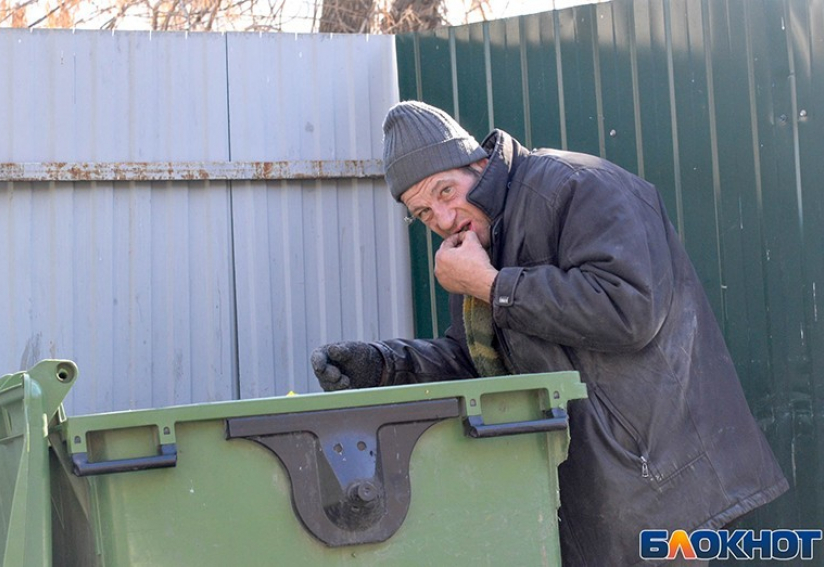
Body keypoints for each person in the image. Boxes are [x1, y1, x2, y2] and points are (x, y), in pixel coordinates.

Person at [310, 100, 788, 566]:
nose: (444, 220)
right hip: (577, 498)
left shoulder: (581, 185)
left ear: (477, 162)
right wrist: (387, 364)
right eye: (424, 214)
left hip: (654, 489)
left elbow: (629, 310)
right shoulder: (478, 242)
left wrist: (490, 284)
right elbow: (475, 359)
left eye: (444, 192)